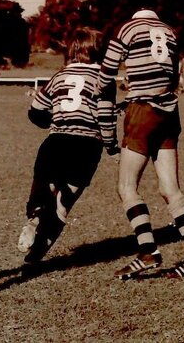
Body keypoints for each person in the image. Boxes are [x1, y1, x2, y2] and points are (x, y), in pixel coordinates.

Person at [97, 8, 184, 279]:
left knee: (126, 186)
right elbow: (171, 77)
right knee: (171, 188)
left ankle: (148, 251)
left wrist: (110, 99)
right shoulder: (169, 32)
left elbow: (106, 73)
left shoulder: (127, 29)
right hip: (169, 112)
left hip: (143, 112)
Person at [18, 28, 117, 263]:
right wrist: (112, 146)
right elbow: (105, 118)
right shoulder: (105, 80)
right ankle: (37, 254)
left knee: (43, 191)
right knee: (64, 204)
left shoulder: (59, 75)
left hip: (56, 142)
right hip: (87, 146)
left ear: (73, 49)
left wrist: (50, 121)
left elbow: (36, 110)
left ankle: (33, 220)